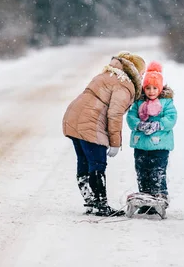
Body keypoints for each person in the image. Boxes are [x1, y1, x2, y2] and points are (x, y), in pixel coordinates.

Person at [62, 51, 146, 217]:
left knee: (84, 162)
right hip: (90, 122)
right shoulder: (125, 84)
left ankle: (91, 202)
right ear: (135, 71)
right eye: (142, 73)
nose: (142, 78)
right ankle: (100, 205)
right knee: (97, 164)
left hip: (72, 117)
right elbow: (114, 114)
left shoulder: (107, 74)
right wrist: (115, 143)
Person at [126, 61, 177, 214]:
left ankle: (160, 198)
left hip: (159, 146)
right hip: (141, 145)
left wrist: (158, 125)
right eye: (148, 88)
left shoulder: (166, 102)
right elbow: (131, 117)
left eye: (155, 88)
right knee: (142, 172)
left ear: (160, 88)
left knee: (157, 172)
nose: (151, 91)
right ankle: (145, 200)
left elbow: (171, 118)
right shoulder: (138, 102)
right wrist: (139, 125)